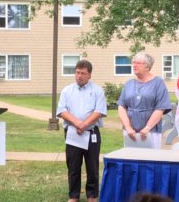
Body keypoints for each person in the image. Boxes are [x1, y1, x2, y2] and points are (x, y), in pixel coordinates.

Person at [57, 59, 107, 202]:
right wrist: (78, 123)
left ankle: (92, 195)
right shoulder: (67, 90)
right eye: (77, 73)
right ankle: (73, 196)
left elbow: (99, 111)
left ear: (89, 75)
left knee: (92, 166)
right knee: (73, 166)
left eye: (83, 73)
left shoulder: (97, 91)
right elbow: (61, 110)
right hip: (73, 133)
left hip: (91, 133)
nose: (79, 76)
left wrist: (84, 125)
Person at [117, 52, 172, 149]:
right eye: (133, 62)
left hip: (150, 132)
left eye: (138, 63)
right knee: (131, 160)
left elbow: (161, 108)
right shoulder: (129, 84)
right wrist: (128, 128)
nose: (134, 65)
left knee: (150, 161)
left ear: (147, 66)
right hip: (130, 133)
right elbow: (121, 106)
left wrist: (147, 128)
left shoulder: (158, 83)